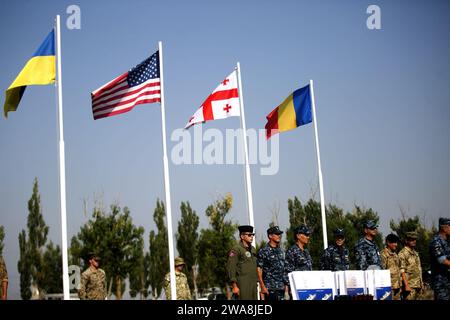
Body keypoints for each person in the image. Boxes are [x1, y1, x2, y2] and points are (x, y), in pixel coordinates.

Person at [226, 225, 258, 300]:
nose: (252, 237)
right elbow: (231, 267)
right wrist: (234, 286)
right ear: (242, 236)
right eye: (249, 235)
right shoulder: (236, 249)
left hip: (253, 284)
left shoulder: (253, 249)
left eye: (252, 235)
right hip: (242, 284)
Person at [257, 226, 288, 301]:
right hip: (270, 288)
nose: (279, 236)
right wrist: (262, 286)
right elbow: (259, 270)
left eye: (279, 234)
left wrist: (286, 287)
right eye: (277, 234)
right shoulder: (264, 251)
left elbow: (283, 269)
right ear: (270, 236)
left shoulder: (281, 251)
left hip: (281, 288)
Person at [429, 217, 450, 300]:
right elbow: (442, 260)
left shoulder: (447, 241)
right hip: (440, 283)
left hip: (447, 280)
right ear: (444, 228)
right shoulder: (436, 241)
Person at [398, 231, 423, 300]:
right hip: (409, 287)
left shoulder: (415, 253)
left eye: (415, 239)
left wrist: (421, 283)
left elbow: (419, 269)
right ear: (406, 241)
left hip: (417, 286)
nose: (414, 241)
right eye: (411, 239)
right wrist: (406, 285)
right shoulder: (402, 253)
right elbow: (401, 271)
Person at [381, 233, 402, 300]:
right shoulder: (383, 254)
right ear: (388, 243)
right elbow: (382, 271)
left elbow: (399, 269)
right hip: (389, 287)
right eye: (394, 242)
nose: (396, 244)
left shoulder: (396, 255)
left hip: (397, 286)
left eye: (396, 242)